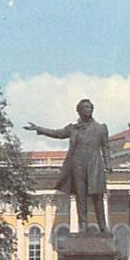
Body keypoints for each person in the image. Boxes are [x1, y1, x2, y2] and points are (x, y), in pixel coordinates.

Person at [25, 99, 110, 232]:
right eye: (85, 108)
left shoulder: (100, 128)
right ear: (79, 111)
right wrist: (39, 129)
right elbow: (57, 133)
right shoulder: (73, 129)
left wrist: (108, 164)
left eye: (90, 108)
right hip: (77, 166)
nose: (88, 110)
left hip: (94, 166)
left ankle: (103, 227)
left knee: (98, 197)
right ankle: (83, 226)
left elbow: (105, 147)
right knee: (80, 197)